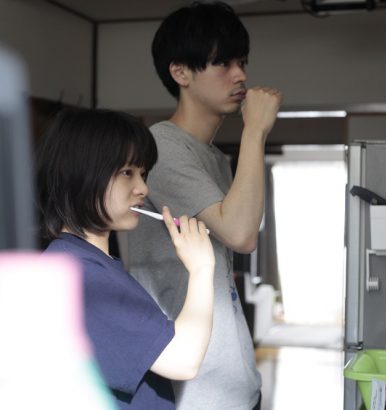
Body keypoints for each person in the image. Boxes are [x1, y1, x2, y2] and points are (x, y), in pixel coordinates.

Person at [127, 2, 282, 409]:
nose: (241, 75)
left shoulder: (213, 157)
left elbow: (243, 227)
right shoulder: (161, 146)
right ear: (181, 72)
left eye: (242, 62)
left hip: (234, 380)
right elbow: (242, 234)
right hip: (193, 389)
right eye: (223, 63)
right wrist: (255, 131)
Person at [35, 108, 215, 410]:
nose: (143, 188)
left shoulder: (82, 263)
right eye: (126, 172)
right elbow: (183, 359)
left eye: (143, 174)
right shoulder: (82, 276)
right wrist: (201, 267)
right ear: (80, 174)